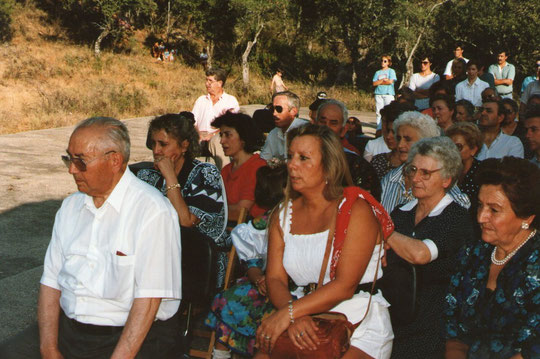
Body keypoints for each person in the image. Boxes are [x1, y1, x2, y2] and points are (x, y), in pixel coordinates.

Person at [0, 117, 183, 358]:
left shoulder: (152, 211)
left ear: (114, 160)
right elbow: (51, 282)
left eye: (80, 161)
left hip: (131, 334)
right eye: (69, 158)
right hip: (70, 329)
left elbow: (148, 302)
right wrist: (49, 349)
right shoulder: (70, 207)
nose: (71, 169)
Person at [255, 124, 395, 359]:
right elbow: (275, 278)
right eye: (290, 156)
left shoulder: (355, 210)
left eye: (303, 158)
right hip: (302, 316)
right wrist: (294, 316)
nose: (292, 165)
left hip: (358, 320)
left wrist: (289, 314)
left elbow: (344, 286)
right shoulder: (282, 214)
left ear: (329, 166)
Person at [386, 136, 474, 358]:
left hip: (434, 323)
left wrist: (381, 230)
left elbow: (420, 254)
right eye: (413, 169)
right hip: (393, 314)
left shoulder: (456, 218)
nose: (415, 178)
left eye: (426, 173)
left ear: (446, 179)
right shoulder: (400, 213)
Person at [445, 157, 540, 359]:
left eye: (494, 210)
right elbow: (454, 331)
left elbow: (532, 349)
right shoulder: (473, 253)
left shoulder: (536, 263)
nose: (481, 217)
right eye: (480, 205)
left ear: (526, 218)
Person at [131, 113, 230, 287]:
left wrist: (170, 177)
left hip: (197, 261)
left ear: (184, 145)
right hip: (158, 254)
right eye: (153, 143)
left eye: (163, 144)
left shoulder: (205, 174)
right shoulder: (148, 176)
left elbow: (185, 221)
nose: (156, 151)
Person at [205, 164, 288, 359]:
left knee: (270, 312)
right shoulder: (265, 223)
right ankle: (220, 354)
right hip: (264, 283)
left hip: (291, 289)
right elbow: (251, 261)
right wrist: (259, 278)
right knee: (230, 300)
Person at [380, 111, 470, 214]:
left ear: (425, 143)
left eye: (407, 139)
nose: (400, 145)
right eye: (399, 138)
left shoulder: (442, 182)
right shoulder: (389, 179)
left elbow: (460, 211)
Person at [315, 99, 382, 199]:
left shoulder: (356, 165)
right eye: (322, 121)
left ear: (343, 130)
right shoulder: (299, 159)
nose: (326, 127)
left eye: (333, 123)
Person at [211, 112, 267, 220]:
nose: (222, 141)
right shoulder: (226, 170)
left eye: (228, 135)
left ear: (243, 137)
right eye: (221, 135)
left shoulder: (257, 167)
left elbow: (241, 212)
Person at [192, 68, 240, 170]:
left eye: (210, 81)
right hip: (199, 136)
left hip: (218, 135)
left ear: (219, 83)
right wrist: (198, 134)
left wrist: (213, 134)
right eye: (206, 80)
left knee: (217, 140)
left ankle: (226, 177)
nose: (207, 84)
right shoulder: (201, 100)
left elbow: (232, 125)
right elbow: (193, 122)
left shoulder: (230, 101)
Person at [445, 122, 484, 218]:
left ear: (473, 150)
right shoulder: (443, 170)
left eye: (458, 147)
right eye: (449, 146)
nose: (452, 151)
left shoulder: (481, 172)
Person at [371, 101, 416, 179]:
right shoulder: (378, 161)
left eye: (394, 132)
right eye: (388, 130)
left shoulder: (417, 165)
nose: (388, 136)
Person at [259, 91, 309, 161]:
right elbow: (263, 160)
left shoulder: (305, 131)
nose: (274, 113)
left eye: (279, 109)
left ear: (293, 111)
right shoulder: (274, 133)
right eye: (272, 109)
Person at [373, 55, 397, 129]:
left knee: (390, 112)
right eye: (382, 61)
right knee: (379, 112)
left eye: (385, 61)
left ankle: (389, 128)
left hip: (388, 94)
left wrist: (380, 82)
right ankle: (379, 129)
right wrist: (383, 80)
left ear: (388, 62)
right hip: (378, 94)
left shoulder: (391, 71)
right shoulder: (377, 72)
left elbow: (390, 82)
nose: (383, 62)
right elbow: (374, 83)